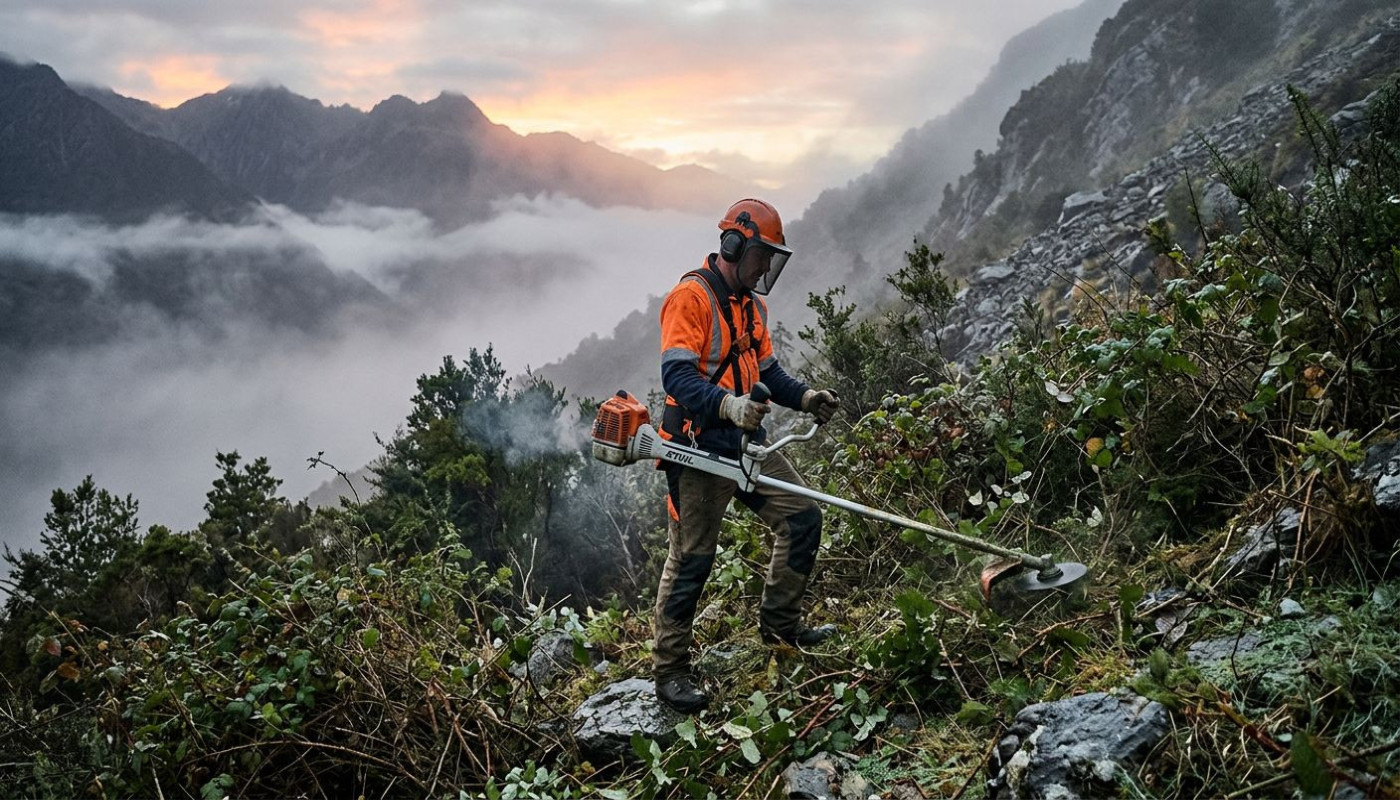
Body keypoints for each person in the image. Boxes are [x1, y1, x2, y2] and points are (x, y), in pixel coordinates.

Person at [652, 198, 841, 713]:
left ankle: (781, 631)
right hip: (696, 448)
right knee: (692, 560)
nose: (765, 269)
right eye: (761, 256)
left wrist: (805, 398)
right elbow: (678, 376)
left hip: (745, 444)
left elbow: (768, 373)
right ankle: (669, 672)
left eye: (771, 259)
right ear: (734, 245)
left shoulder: (751, 307)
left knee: (802, 519)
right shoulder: (690, 299)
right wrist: (729, 406)